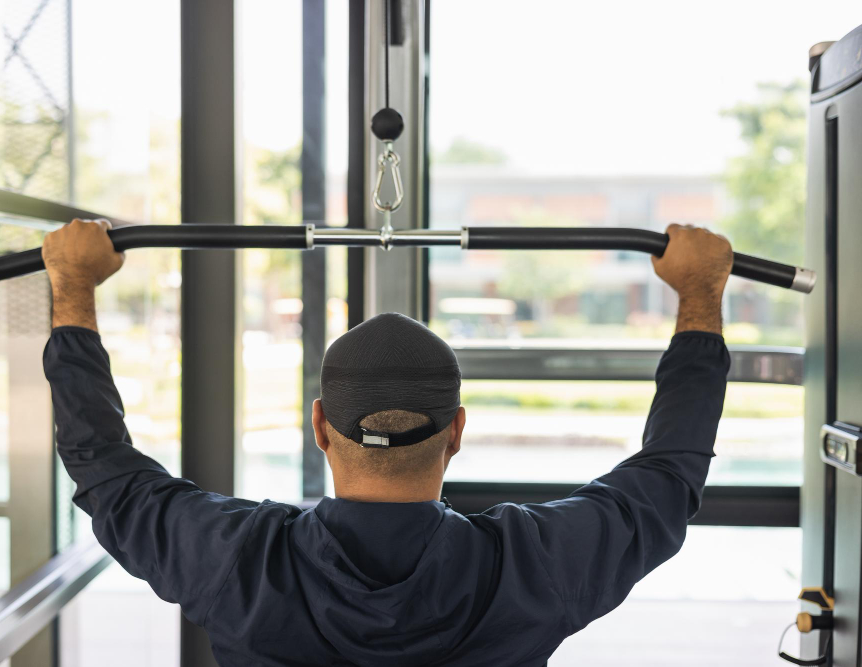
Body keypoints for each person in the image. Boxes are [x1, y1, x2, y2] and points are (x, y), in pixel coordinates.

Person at [41, 219, 733, 666]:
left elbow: (106, 471)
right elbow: (669, 478)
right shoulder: (533, 565)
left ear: (319, 426)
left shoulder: (238, 559)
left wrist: (73, 283)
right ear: (457, 431)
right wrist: (699, 292)